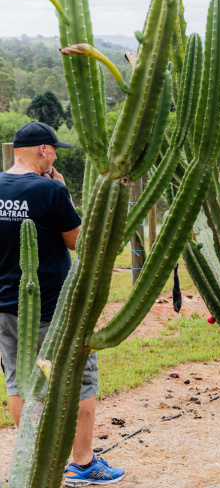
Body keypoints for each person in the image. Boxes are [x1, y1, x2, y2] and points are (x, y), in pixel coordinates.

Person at [0, 121, 124, 486]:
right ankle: (83, 465)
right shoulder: (50, 190)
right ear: (42, 151)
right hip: (52, 309)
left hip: (5, 308)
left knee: (18, 382)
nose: (55, 156)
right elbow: (79, 243)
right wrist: (64, 193)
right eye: (54, 150)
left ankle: (31, 461)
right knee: (79, 382)